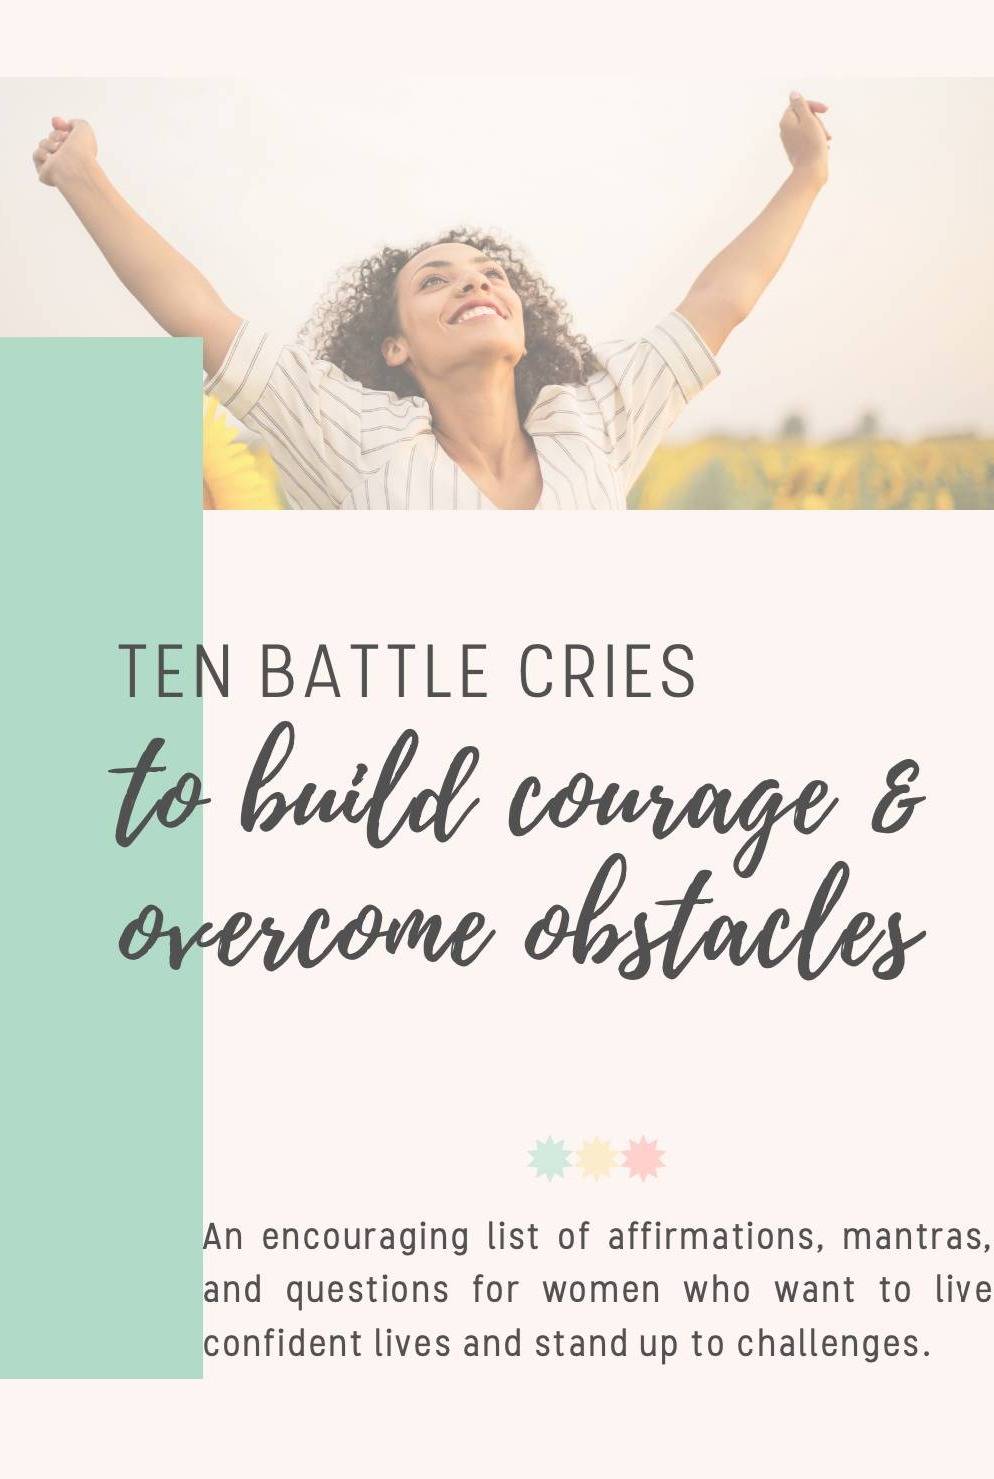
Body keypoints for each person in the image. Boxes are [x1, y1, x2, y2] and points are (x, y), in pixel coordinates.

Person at [32, 95, 830, 511]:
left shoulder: (591, 425)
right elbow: (200, 318)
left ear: (524, 325)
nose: (476, 283)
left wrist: (806, 176)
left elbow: (719, 302)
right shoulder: (357, 439)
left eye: (490, 274)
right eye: (434, 280)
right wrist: (81, 175)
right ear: (396, 347)